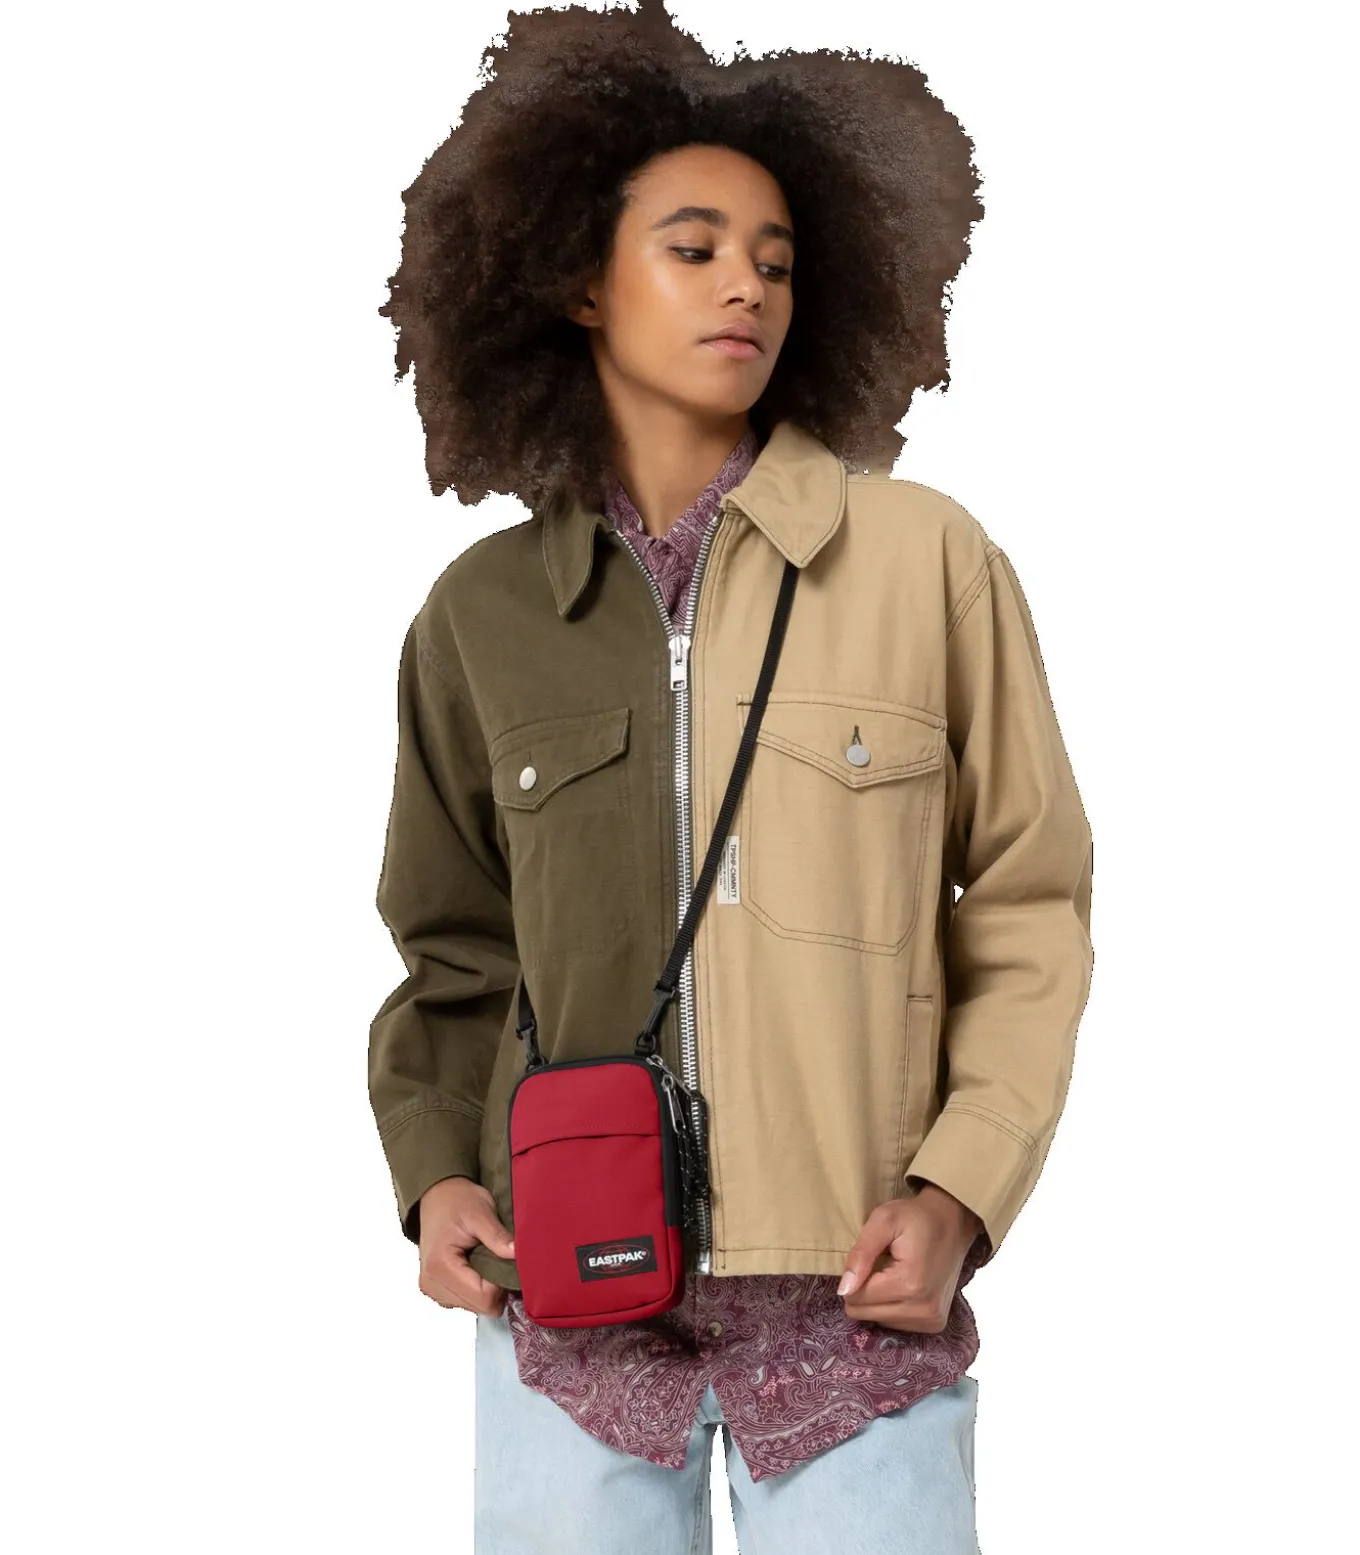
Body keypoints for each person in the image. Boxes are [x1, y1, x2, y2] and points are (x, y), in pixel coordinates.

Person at [368, 4, 1094, 1551]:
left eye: (774, 257)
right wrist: (433, 1176)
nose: (745, 285)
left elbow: (1030, 902)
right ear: (579, 278)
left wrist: (961, 1188)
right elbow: (450, 947)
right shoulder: (481, 615)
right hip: (568, 1320)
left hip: (858, 1318)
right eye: (693, 248)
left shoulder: (928, 563)